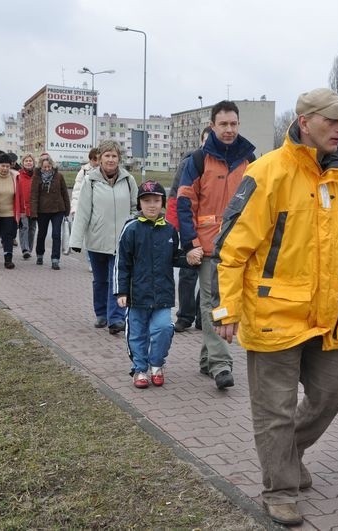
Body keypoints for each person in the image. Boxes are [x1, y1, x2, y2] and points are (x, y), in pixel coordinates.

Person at [211, 88, 338, 526]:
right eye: (332, 121)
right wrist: (227, 309)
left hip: (326, 317)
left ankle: (289, 454)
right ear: (304, 123)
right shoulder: (268, 173)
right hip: (273, 314)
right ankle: (279, 488)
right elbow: (232, 247)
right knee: (274, 409)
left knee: (331, 396)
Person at [177, 101, 256, 389]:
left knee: (227, 304)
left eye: (233, 124)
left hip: (239, 247)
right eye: (223, 124)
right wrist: (190, 243)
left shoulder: (250, 160)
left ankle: (206, 361)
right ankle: (222, 364)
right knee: (213, 305)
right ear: (213, 125)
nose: (229, 129)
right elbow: (185, 205)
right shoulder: (197, 161)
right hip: (209, 248)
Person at [114, 180, 187, 388]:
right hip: (136, 296)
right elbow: (122, 262)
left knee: (163, 328)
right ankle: (139, 369)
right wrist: (121, 291)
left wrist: (190, 258)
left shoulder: (170, 230)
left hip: (162, 295)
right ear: (139, 204)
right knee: (137, 333)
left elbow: (175, 257)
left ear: (162, 202)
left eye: (156, 200)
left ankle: (156, 364)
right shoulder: (131, 228)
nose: (152, 205)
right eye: (147, 201)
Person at [70, 140, 137, 334]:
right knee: (100, 281)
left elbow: (135, 207)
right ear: (99, 159)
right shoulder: (90, 181)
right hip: (96, 240)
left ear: (119, 159)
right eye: (107, 155)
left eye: (114, 156)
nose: (110, 159)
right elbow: (83, 212)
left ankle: (116, 318)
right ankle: (101, 313)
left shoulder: (128, 179)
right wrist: (75, 241)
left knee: (117, 280)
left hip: (121, 242)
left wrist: (132, 228)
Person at [168, 127, 210, 333]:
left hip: (213, 232)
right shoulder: (188, 164)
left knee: (210, 277)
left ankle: (203, 316)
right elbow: (175, 197)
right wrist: (174, 226)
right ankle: (185, 316)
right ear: (201, 142)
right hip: (190, 229)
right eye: (207, 140)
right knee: (187, 274)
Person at [30, 154, 70, 270]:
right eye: (45, 167)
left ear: (52, 166)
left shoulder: (59, 176)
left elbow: (65, 193)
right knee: (42, 234)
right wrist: (34, 212)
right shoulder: (36, 178)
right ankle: (40, 254)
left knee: (56, 234)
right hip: (42, 211)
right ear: (41, 167)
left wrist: (67, 209)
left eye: (49, 167)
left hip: (58, 209)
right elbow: (33, 196)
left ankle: (55, 259)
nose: (47, 169)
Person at [0, 153, 22, 269]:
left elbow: (19, 195)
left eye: (8, 166)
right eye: (3, 166)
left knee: (8, 236)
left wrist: (21, 212)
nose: (5, 169)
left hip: (9, 212)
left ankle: (8, 259)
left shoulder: (15, 177)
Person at [16, 153, 37, 259]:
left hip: (34, 207)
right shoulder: (18, 175)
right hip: (22, 207)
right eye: (26, 161)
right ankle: (25, 249)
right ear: (23, 163)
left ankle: (29, 248)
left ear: (33, 163)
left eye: (30, 161)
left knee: (32, 228)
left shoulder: (37, 176)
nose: (28, 162)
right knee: (24, 227)